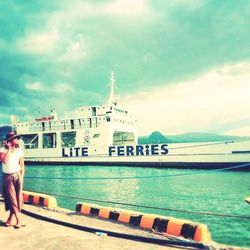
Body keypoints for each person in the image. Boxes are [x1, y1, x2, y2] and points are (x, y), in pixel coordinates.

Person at [0, 131, 25, 228]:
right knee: (11, 199)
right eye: (15, 138)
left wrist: (22, 178)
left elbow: (22, 165)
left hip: (17, 175)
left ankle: (10, 218)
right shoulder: (2, 149)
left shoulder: (19, 151)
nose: (17, 140)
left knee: (18, 198)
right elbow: (5, 161)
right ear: (9, 140)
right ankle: (18, 220)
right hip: (7, 177)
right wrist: (9, 149)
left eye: (17, 138)